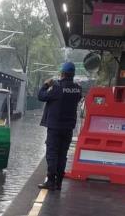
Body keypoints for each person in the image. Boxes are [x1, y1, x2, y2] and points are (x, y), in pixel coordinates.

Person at [37, 62, 82, 191]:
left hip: (55, 127)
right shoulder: (77, 89)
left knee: (52, 153)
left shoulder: (57, 88)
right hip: (68, 128)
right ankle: (59, 183)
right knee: (62, 154)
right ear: (73, 74)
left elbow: (41, 96)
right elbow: (77, 99)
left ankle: (50, 181)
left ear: (62, 73)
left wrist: (46, 84)